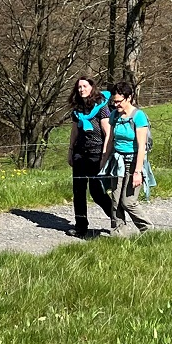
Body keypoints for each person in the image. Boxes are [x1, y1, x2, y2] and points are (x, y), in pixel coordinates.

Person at [67, 76, 115, 237]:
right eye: (79, 87)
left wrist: (104, 155)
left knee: (97, 192)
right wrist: (70, 151)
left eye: (84, 86)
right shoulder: (77, 109)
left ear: (91, 87)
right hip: (80, 153)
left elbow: (108, 132)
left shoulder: (101, 106)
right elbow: (74, 131)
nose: (82, 89)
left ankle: (116, 219)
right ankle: (81, 226)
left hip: (96, 153)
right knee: (78, 191)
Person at [107, 81, 153, 234]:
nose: (116, 105)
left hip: (133, 163)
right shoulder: (114, 115)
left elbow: (142, 147)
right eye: (114, 102)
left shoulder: (139, 117)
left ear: (129, 98)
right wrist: (103, 161)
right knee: (115, 200)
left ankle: (147, 229)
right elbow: (110, 140)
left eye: (119, 102)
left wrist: (138, 172)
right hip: (117, 162)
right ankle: (118, 233)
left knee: (128, 202)